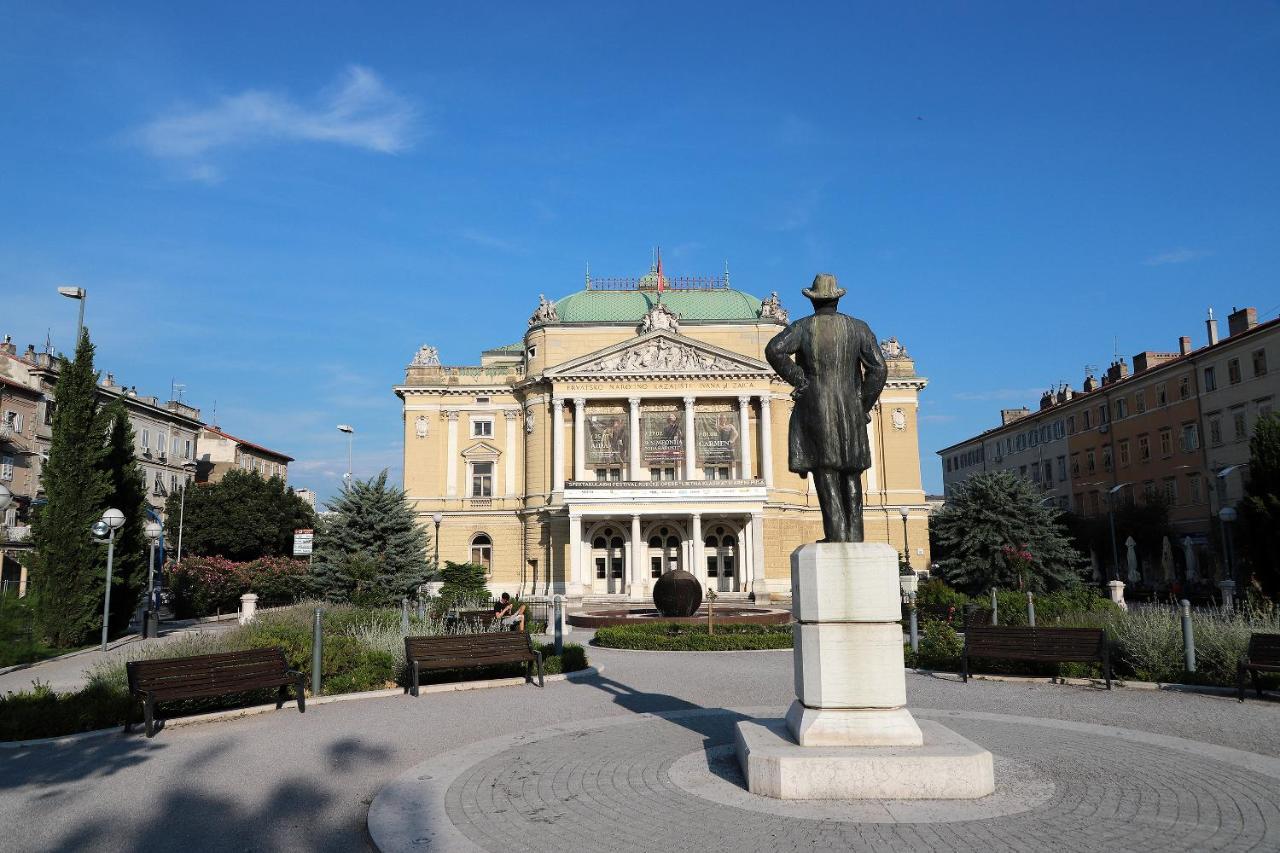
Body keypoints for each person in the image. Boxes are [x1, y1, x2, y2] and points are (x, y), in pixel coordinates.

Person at [765, 273, 887, 543]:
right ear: (837, 300)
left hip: (816, 405)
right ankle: (854, 535)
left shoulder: (803, 327)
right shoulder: (859, 328)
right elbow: (879, 370)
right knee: (852, 471)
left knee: (826, 470)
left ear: (813, 301)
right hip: (851, 407)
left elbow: (774, 350)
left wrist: (799, 378)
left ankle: (835, 534)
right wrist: (862, 403)